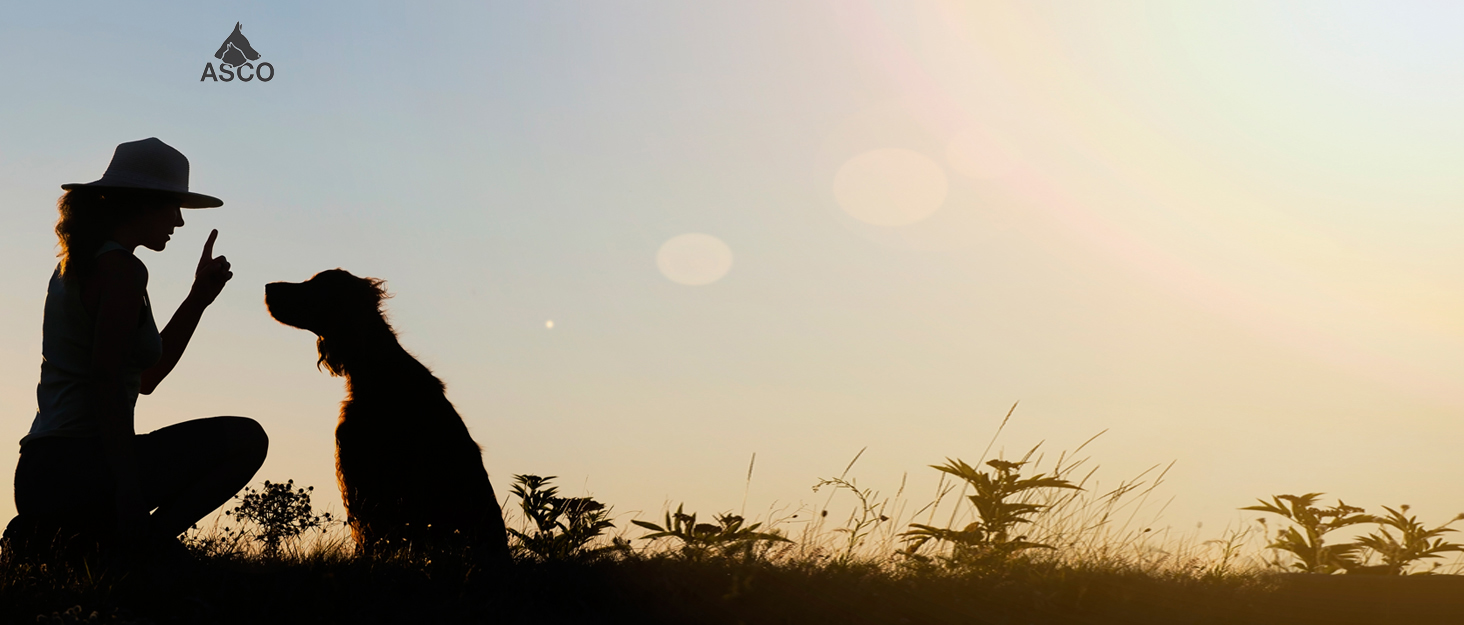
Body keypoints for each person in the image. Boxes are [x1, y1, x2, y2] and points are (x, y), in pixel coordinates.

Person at [6, 138, 268, 564]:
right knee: (247, 439)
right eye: (173, 206)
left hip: (45, 471)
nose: (179, 220)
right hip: (79, 465)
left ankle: (82, 540)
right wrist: (127, 489)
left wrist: (198, 299)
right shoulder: (122, 270)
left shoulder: (79, 265)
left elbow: (145, 379)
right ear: (143, 203)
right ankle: (142, 549)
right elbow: (106, 381)